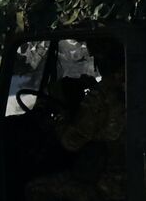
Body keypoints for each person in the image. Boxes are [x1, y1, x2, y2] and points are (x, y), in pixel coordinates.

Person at [25, 40, 126, 201]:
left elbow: (71, 142)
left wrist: (60, 120)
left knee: (34, 189)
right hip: (129, 176)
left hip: (106, 185)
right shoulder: (133, 88)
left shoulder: (102, 95)